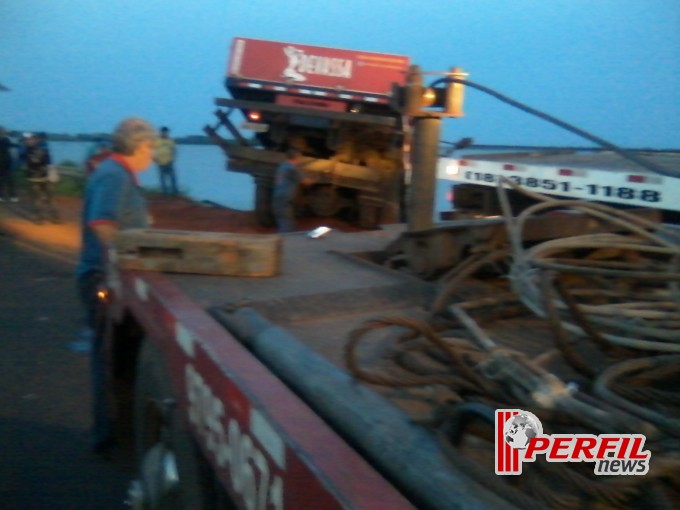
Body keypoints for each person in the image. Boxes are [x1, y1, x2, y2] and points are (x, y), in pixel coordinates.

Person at [76, 117, 156, 454]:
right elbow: (102, 224)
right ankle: (107, 436)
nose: (152, 154)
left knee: (110, 358)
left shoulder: (119, 173)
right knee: (107, 360)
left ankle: (113, 432)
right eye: (151, 147)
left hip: (105, 273)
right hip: (101, 276)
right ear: (139, 147)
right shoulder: (114, 174)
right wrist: (120, 263)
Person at [24, 133, 59, 223]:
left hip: (35, 177)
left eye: (30, 139)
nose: (28, 141)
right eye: (28, 140)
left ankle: (40, 217)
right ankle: (54, 217)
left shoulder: (26, 151)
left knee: (38, 198)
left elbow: (28, 163)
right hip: (44, 176)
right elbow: (49, 163)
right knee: (48, 198)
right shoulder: (44, 150)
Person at [272, 149, 309, 233]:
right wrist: (315, 179)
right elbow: (305, 181)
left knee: (283, 223)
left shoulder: (282, 166)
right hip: (285, 200)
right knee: (287, 227)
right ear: (296, 158)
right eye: (300, 158)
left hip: (278, 197)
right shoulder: (292, 168)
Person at [153, 126, 178, 195]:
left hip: (169, 161)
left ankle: (174, 192)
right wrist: (154, 158)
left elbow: (174, 150)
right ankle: (164, 192)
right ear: (161, 132)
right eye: (163, 132)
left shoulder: (170, 140)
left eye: (166, 132)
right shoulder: (157, 141)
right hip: (160, 162)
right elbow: (153, 150)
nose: (165, 133)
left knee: (172, 178)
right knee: (162, 179)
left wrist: (173, 158)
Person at [0, 127, 18, 202]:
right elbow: (13, 147)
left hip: (6, 162)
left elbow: (12, 147)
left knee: (8, 179)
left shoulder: (6, 140)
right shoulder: (6, 140)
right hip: (6, 161)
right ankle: (11, 196)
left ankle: (11, 195)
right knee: (8, 179)